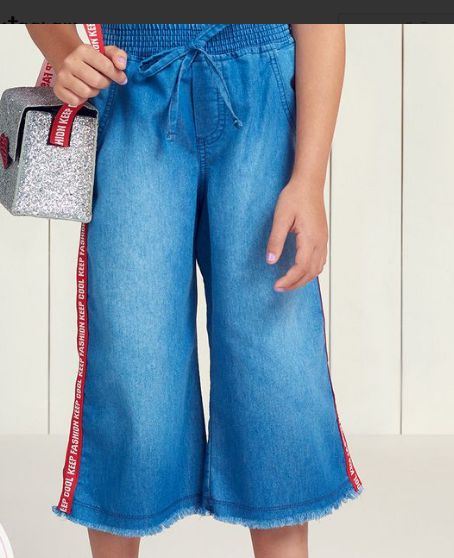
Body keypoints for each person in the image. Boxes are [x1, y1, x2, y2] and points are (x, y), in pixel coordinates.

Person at [26, 23, 363, 558]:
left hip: (259, 96)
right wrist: (65, 51)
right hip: (130, 84)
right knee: (132, 364)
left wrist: (308, 179)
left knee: (275, 367)